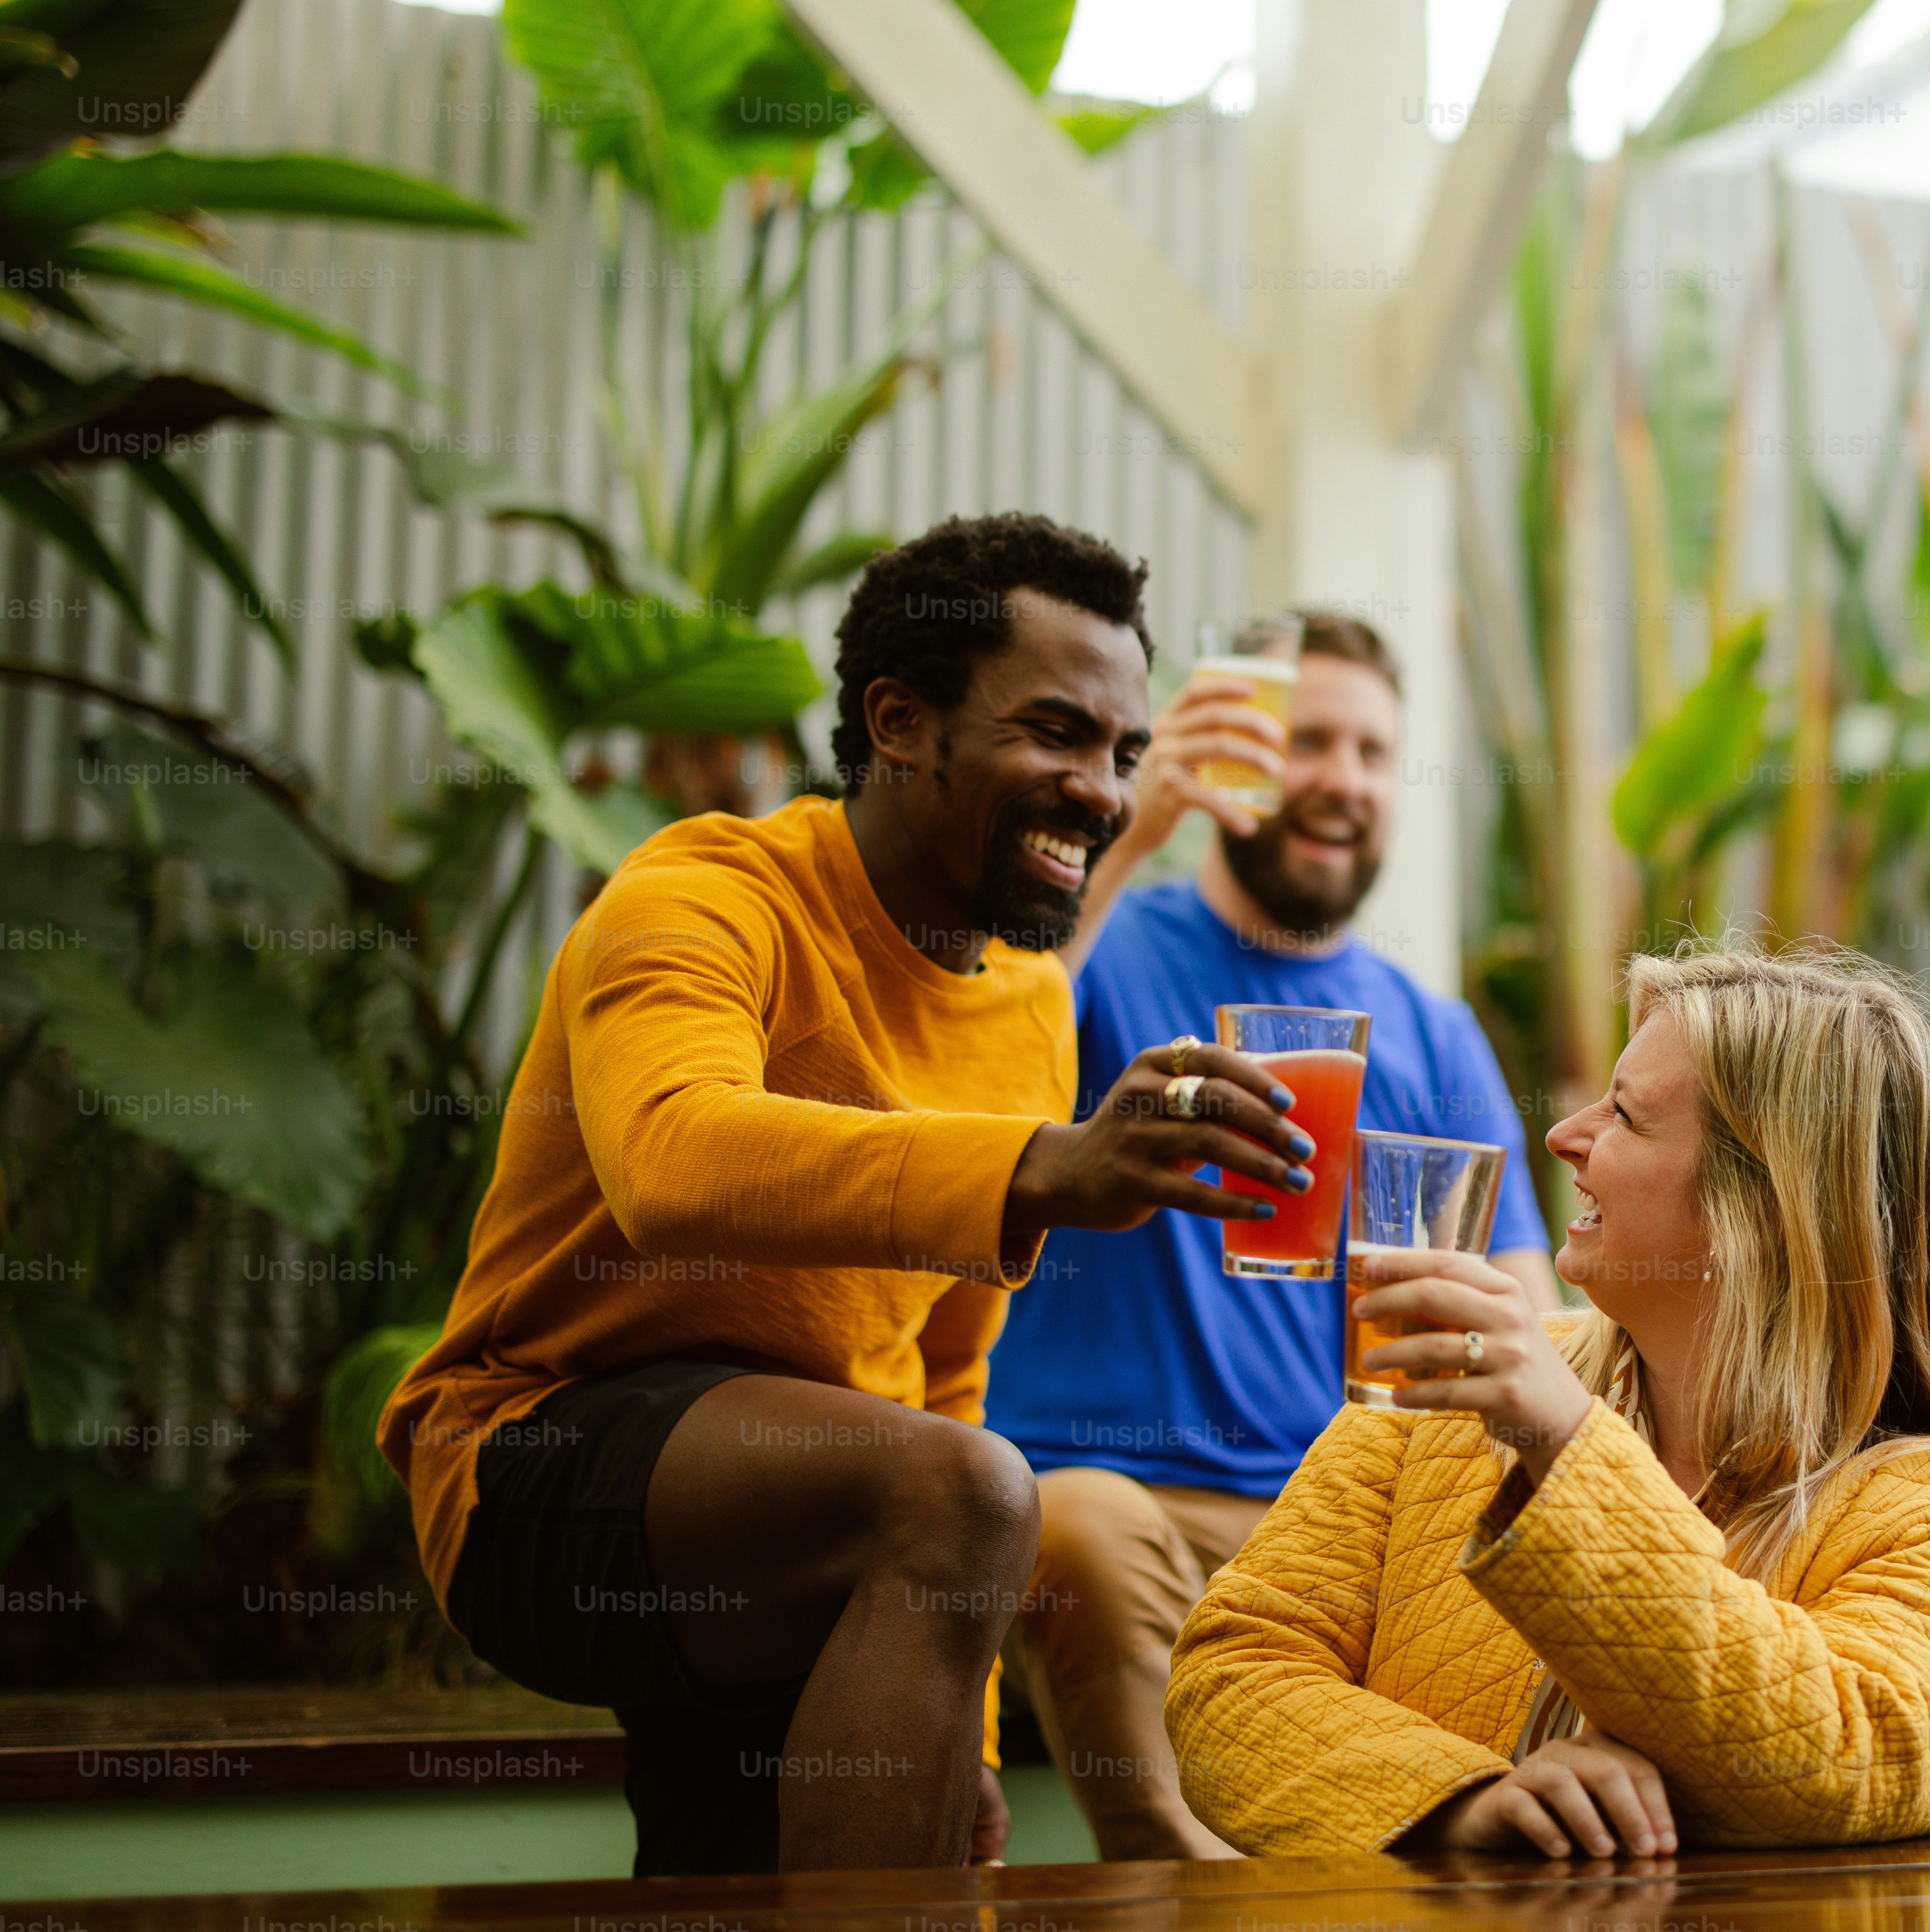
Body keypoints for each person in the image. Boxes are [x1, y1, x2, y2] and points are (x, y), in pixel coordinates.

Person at [376, 514, 1319, 1875]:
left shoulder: (1030, 1005)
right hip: (539, 1465)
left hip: (815, 1513)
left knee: (727, 1882)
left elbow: (944, 1377)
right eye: (1054, 734)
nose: (1105, 795)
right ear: (898, 720)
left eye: (1123, 754)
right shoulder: (705, 893)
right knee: (965, 1493)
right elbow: (670, 1157)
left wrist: (970, 1735)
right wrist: (1042, 1165)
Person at [1164, 945, 1930, 1857]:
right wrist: (1464, 1803)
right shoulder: (1446, 1388)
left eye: (1623, 1113)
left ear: (1767, 1200)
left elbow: (1846, 1759)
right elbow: (1230, 1675)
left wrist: (1565, 1443)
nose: (1562, 1134)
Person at [982, 609, 1559, 1858]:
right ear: (1232, 749)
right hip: (1126, 1502)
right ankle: (1195, 1884)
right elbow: (974, 1071)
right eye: (1306, 741)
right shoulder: (1105, 942)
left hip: (1341, 1530)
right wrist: (1132, 828)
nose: (1341, 780)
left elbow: (1532, 1309)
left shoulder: (1431, 1025)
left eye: (1368, 751)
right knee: (1072, 1523)